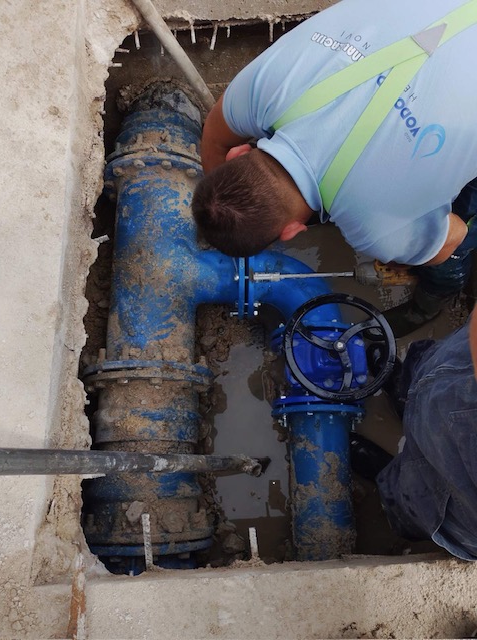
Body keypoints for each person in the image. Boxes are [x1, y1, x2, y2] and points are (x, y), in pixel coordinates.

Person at [192, 0, 477, 337]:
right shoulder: (260, 89)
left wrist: (405, 245)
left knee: (452, 239)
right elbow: (214, 137)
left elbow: (454, 236)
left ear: (293, 231)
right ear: (239, 152)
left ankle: (431, 304)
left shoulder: (378, 227)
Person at [350, 307, 477, 560]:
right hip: (458, 374)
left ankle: (386, 481)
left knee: (418, 499)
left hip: (467, 482)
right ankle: (403, 392)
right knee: (429, 373)